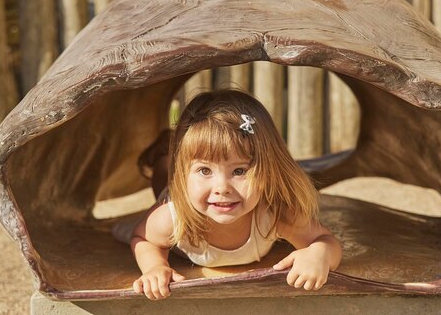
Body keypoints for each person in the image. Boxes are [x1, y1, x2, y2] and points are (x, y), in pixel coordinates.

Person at [113, 89, 342, 300]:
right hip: (180, 198)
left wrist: (318, 253)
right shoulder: (170, 217)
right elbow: (142, 238)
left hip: (193, 191)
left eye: (239, 171)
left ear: (269, 171)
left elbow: (324, 239)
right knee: (161, 185)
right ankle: (164, 158)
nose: (222, 187)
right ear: (185, 175)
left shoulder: (274, 212)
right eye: (205, 170)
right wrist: (155, 267)